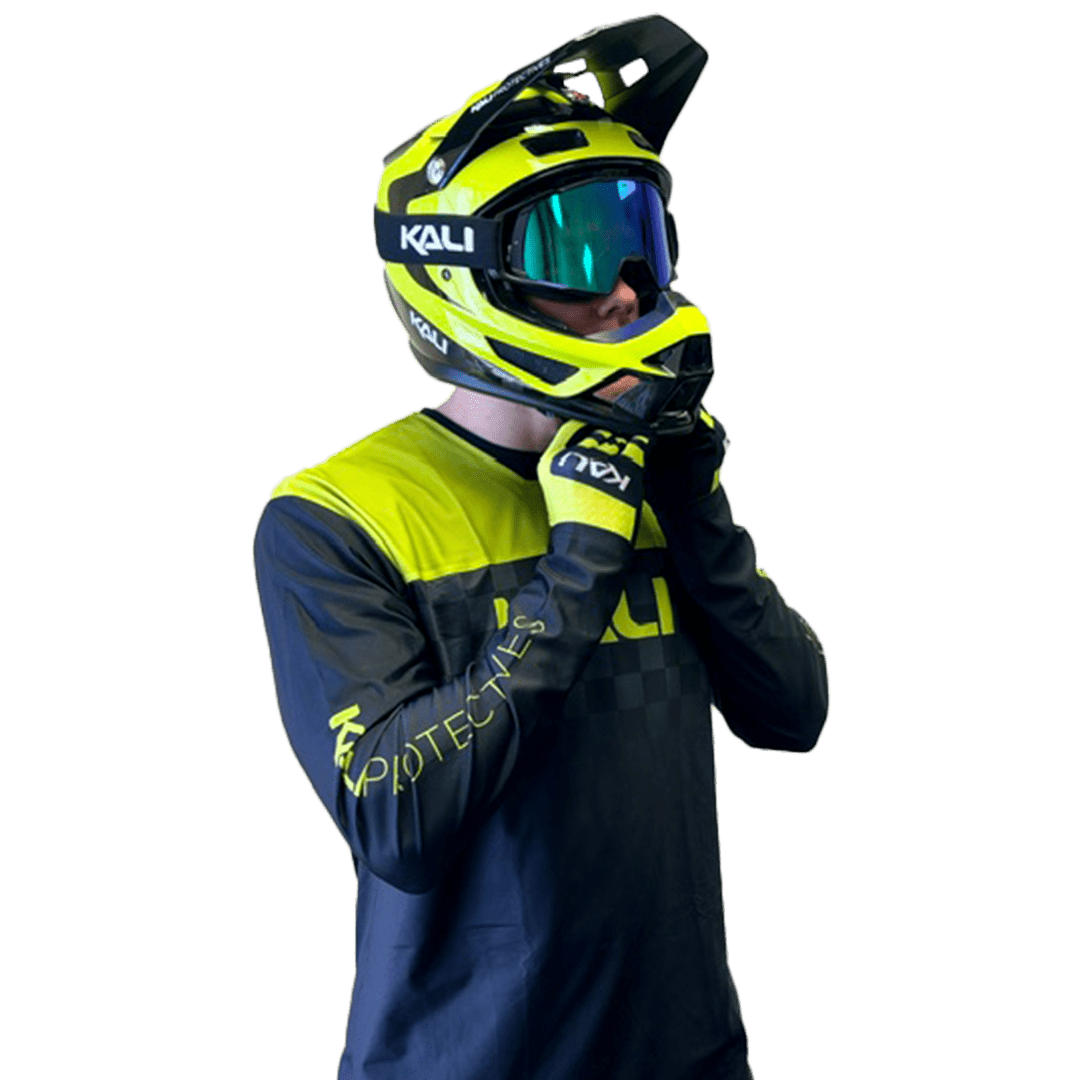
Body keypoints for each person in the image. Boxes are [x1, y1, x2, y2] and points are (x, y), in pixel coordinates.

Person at [253, 15, 829, 1080]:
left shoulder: (649, 475)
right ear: (465, 271)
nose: (626, 288)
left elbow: (794, 712)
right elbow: (395, 815)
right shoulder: (336, 514)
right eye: (574, 246)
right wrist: (576, 567)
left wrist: (696, 513)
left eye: (639, 238)